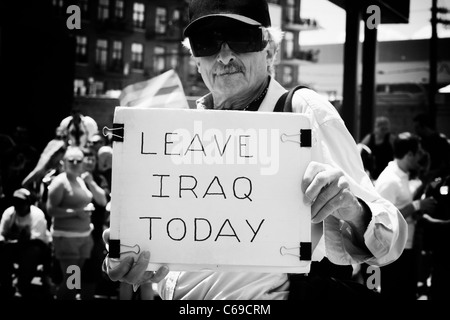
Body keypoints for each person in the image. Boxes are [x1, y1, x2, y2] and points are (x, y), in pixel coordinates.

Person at [102, 0, 408, 300]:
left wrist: (353, 209)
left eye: (240, 38)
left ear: (270, 49)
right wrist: (125, 255)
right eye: (206, 43)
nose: (223, 57)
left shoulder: (302, 112)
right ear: (195, 59)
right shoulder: (181, 131)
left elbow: (390, 239)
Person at [374, 132, 437, 300]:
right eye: (418, 153)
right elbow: (384, 218)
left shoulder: (402, 176)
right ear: (409, 154)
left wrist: (415, 214)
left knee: (407, 293)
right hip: (394, 252)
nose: (420, 158)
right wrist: (417, 205)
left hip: (405, 248)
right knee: (395, 294)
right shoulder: (389, 180)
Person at [46, 146, 105, 300]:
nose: (75, 163)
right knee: (71, 282)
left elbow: (98, 201)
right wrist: (76, 213)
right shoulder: (59, 182)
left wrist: (84, 210)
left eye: (78, 160)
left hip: (84, 238)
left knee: (75, 280)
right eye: (70, 160)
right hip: (67, 239)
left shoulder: (80, 179)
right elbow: (51, 210)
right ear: (63, 162)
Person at [0, 188, 52, 299]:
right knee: (4, 250)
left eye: (21, 202)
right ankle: (6, 286)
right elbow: (2, 233)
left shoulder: (37, 214)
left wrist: (14, 240)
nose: (18, 205)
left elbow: (35, 239)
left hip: (38, 248)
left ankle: (22, 285)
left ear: (28, 203)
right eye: (16, 202)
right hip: (17, 246)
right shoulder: (9, 213)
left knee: (31, 251)